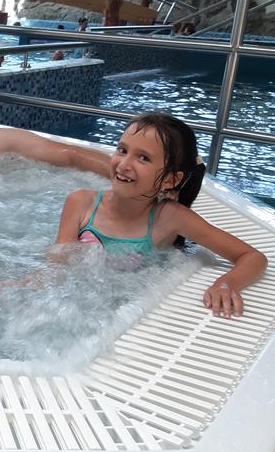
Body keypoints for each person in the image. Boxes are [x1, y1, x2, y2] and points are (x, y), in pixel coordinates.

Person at [55, 112, 267, 318]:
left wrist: (226, 284)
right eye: (122, 150)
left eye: (143, 158)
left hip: (126, 310)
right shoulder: (80, 202)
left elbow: (252, 257)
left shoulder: (169, 218)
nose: (124, 164)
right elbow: (58, 264)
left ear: (170, 180)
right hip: (77, 306)